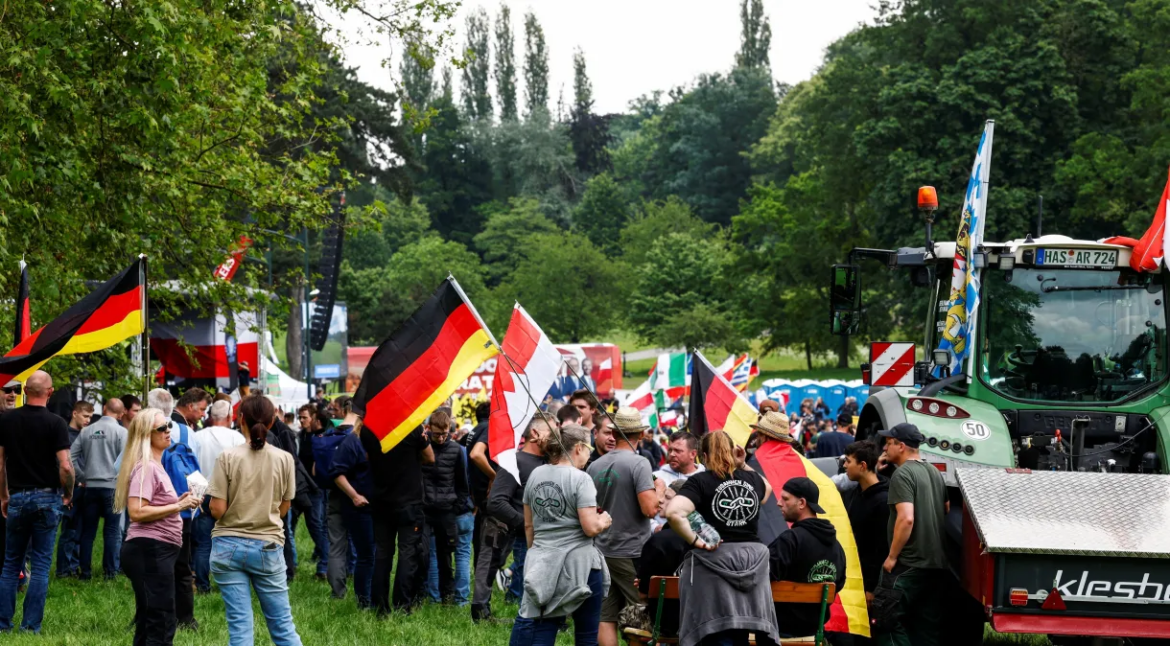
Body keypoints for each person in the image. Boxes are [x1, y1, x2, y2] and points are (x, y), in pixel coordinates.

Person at [665, 430, 777, 646]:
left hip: (714, 560)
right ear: (732, 452)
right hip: (752, 561)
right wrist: (743, 465)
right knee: (739, 630)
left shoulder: (700, 481)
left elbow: (673, 513)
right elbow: (767, 490)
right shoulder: (751, 479)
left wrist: (695, 541)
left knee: (716, 631)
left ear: (704, 456)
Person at [208, 395, 302, 646]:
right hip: (268, 545)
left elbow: (217, 509)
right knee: (283, 627)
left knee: (239, 627)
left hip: (227, 546)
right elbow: (284, 508)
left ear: (240, 420)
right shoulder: (284, 459)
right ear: (272, 422)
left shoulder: (227, 457)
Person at [508, 424, 612, 646]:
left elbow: (529, 524)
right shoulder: (581, 478)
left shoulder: (536, 474)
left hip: (543, 560)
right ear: (578, 448)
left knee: (543, 624)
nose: (589, 454)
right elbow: (590, 527)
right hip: (579, 565)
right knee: (586, 634)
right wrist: (603, 521)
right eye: (589, 449)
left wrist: (536, 554)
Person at [116, 407, 203, 644]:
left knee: (151, 619)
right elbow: (136, 511)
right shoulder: (145, 467)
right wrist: (178, 506)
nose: (168, 431)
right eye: (162, 428)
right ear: (147, 435)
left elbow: (154, 505)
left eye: (169, 426)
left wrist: (178, 501)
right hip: (150, 550)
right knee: (161, 619)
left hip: (154, 550)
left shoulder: (156, 465)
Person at [0, 371, 73, 633]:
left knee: (10, 564)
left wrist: (4, 495)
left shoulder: (7, 421)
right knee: (41, 565)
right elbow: (65, 466)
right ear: (50, 392)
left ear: (24, 391)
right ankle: (30, 627)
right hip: (47, 496)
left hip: (17, 496)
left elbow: (1, 463)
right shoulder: (56, 423)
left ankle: (2, 624)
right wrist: (68, 492)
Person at [587, 407, 661, 646]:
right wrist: (659, 490)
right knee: (639, 612)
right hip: (631, 551)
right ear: (640, 433)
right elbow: (650, 509)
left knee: (605, 615)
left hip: (601, 549)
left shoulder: (594, 465)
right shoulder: (639, 463)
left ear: (614, 432)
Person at [873, 423, 948, 646]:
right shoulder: (934, 472)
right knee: (925, 626)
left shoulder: (903, 474)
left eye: (888, 443)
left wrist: (892, 557)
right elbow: (945, 507)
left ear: (901, 446)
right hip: (934, 564)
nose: (884, 448)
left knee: (886, 621)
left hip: (907, 563)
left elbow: (906, 518)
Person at [471, 416, 549, 622]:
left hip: (530, 533)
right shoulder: (514, 461)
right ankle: (480, 612)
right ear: (535, 433)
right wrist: (525, 524)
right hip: (503, 526)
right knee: (489, 565)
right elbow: (496, 502)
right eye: (552, 432)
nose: (556, 437)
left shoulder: (549, 461)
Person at [361, 416, 435, 616]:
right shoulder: (412, 426)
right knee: (407, 554)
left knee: (382, 554)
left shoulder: (369, 428)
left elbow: (367, 457)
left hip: (381, 500)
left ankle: (379, 606)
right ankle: (402, 605)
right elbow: (430, 457)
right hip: (409, 502)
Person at [768, 477, 847, 638]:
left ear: (802, 503)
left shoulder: (790, 541)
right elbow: (838, 584)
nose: (778, 503)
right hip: (815, 631)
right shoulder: (836, 546)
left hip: (780, 630)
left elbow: (763, 577)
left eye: (785, 499)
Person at [146, 388, 198, 630]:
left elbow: (121, 466)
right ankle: (186, 618)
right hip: (183, 508)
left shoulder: (145, 429)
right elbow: (195, 469)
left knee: (155, 565)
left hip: (154, 507)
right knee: (182, 564)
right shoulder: (187, 432)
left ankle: (157, 615)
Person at [189, 400, 245, 593]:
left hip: (201, 494)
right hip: (228, 496)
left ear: (210, 416)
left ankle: (202, 584)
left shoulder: (197, 436)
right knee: (230, 541)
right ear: (230, 417)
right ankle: (229, 584)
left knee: (203, 543)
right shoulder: (237, 438)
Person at [72, 398, 127, 580]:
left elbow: (70, 457)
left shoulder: (87, 431)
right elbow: (126, 462)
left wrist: (83, 477)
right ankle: (110, 572)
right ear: (121, 414)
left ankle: (85, 572)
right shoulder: (121, 432)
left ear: (104, 409)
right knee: (111, 531)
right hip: (112, 487)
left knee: (88, 531)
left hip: (91, 487)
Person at [420, 410, 469, 604]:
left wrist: (455, 507)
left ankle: (447, 596)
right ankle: (426, 594)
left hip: (447, 510)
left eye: (444, 434)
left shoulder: (456, 450)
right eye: (437, 434)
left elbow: (462, 482)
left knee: (445, 556)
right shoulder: (422, 447)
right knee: (423, 554)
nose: (441, 438)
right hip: (425, 509)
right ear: (429, 429)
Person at [329, 421, 376, 609]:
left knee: (373, 554)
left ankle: (371, 597)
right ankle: (364, 601)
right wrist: (355, 496)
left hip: (375, 506)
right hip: (359, 507)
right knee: (366, 554)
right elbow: (336, 472)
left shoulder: (378, 440)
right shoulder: (352, 441)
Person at [638, 479, 691, 637]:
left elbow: (643, 595)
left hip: (663, 624)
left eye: (668, 497)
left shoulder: (658, 541)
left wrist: (644, 583)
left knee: (627, 616)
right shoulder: (708, 539)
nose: (660, 500)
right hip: (701, 622)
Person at [843, 441, 890, 599]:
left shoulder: (883, 501)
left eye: (848, 461)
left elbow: (881, 549)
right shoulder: (855, 492)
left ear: (862, 465)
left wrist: (871, 588)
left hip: (868, 585)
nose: (844, 465)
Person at [56, 401, 93, 578]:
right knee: (69, 529)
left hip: (86, 487)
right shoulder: (64, 435)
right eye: (85, 416)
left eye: (90, 417)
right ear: (75, 413)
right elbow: (65, 463)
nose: (88, 420)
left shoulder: (88, 435)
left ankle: (74, 566)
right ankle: (63, 570)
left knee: (80, 529)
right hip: (71, 487)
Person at [295, 404, 330, 580]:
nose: (302, 421)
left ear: (313, 418)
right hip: (299, 488)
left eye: (305, 417)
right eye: (300, 417)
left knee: (316, 525)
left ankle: (326, 562)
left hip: (315, 488)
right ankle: (291, 563)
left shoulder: (320, 437)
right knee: (290, 526)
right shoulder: (299, 437)